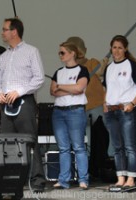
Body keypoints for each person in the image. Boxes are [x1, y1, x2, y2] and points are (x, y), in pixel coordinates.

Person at [0, 18, 46, 192]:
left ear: (14, 31)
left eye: (4, 29)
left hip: (24, 102)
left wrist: (19, 91)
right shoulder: (3, 56)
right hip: (6, 104)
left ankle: (37, 181)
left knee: (29, 141)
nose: (2, 32)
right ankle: (12, 180)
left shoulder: (31, 51)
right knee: (7, 142)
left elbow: (39, 78)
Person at [103, 35, 136, 188]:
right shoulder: (109, 67)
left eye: (120, 47)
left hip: (126, 110)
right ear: (111, 48)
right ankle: (120, 177)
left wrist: (133, 103)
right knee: (117, 147)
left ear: (125, 49)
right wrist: (104, 102)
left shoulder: (131, 65)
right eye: (114, 47)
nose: (116, 50)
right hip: (111, 111)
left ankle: (131, 178)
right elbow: (108, 89)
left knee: (129, 146)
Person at [50, 41, 90, 189]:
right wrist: (70, 88)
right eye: (59, 53)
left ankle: (83, 179)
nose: (60, 55)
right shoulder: (58, 71)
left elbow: (79, 88)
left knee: (79, 146)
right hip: (59, 111)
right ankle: (63, 180)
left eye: (63, 52)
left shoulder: (82, 70)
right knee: (63, 148)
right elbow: (52, 91)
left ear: (72, 53)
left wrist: (61, 86)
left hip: (75, 111)